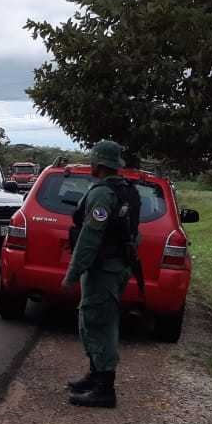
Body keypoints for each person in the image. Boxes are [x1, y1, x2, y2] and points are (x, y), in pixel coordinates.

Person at [61, 140, 141, 408]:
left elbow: (89, 238)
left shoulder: (102, 195)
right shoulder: (127, 190)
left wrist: (73, 273)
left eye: (93, 162)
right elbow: (133, 233)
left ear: (98, 165)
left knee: (98, 323)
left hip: (103, 269)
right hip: (115, 267)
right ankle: (96, 376)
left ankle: (105, 389)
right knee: (98, 319)